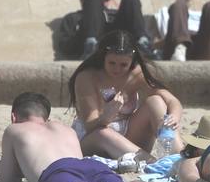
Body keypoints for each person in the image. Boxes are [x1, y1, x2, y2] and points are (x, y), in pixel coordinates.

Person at [0, 91, 186, 182]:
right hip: (89, 165)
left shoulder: (14, 130)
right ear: (46, 117)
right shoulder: (64, 128)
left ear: (14, 117)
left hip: (56, 171)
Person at [71, 30, 183, 162]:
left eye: (123, 65)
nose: (117, 69)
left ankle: (178, 155)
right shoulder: (87, 77)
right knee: (104, 133)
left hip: (129, 138)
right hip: (94, 137)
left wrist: (173, 117)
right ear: (103, 57)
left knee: (156, 101)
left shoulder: (137, 74)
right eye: (112, 63)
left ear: (132, 61)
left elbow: (171, 100)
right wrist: (106, 117)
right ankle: (152, 162)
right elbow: (90, 126)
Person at [50, 0, 151, 60]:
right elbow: (66, 48)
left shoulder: (115, 13)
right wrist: (83, 30)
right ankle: (91, 44)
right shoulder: (73, 18)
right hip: (92, 53)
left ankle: (143, 44)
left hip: (122, 47)